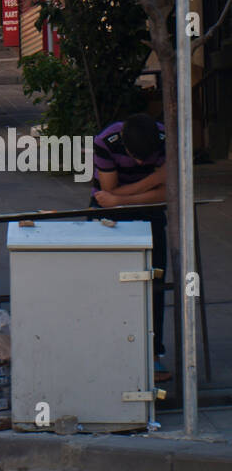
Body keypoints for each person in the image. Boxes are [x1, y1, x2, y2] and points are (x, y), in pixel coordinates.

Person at [90, 112, 169, 380]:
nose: (139, 162)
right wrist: (154, 179)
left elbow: (168, 192)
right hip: (107, 212)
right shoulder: (105, 141)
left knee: (154, 282)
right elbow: (106, 191)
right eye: (135, 157)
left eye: (145, 159)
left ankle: (153, 354)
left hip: (148, 210)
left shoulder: (165, 140)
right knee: (106, 283)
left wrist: (121, 198)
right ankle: (106, 351)